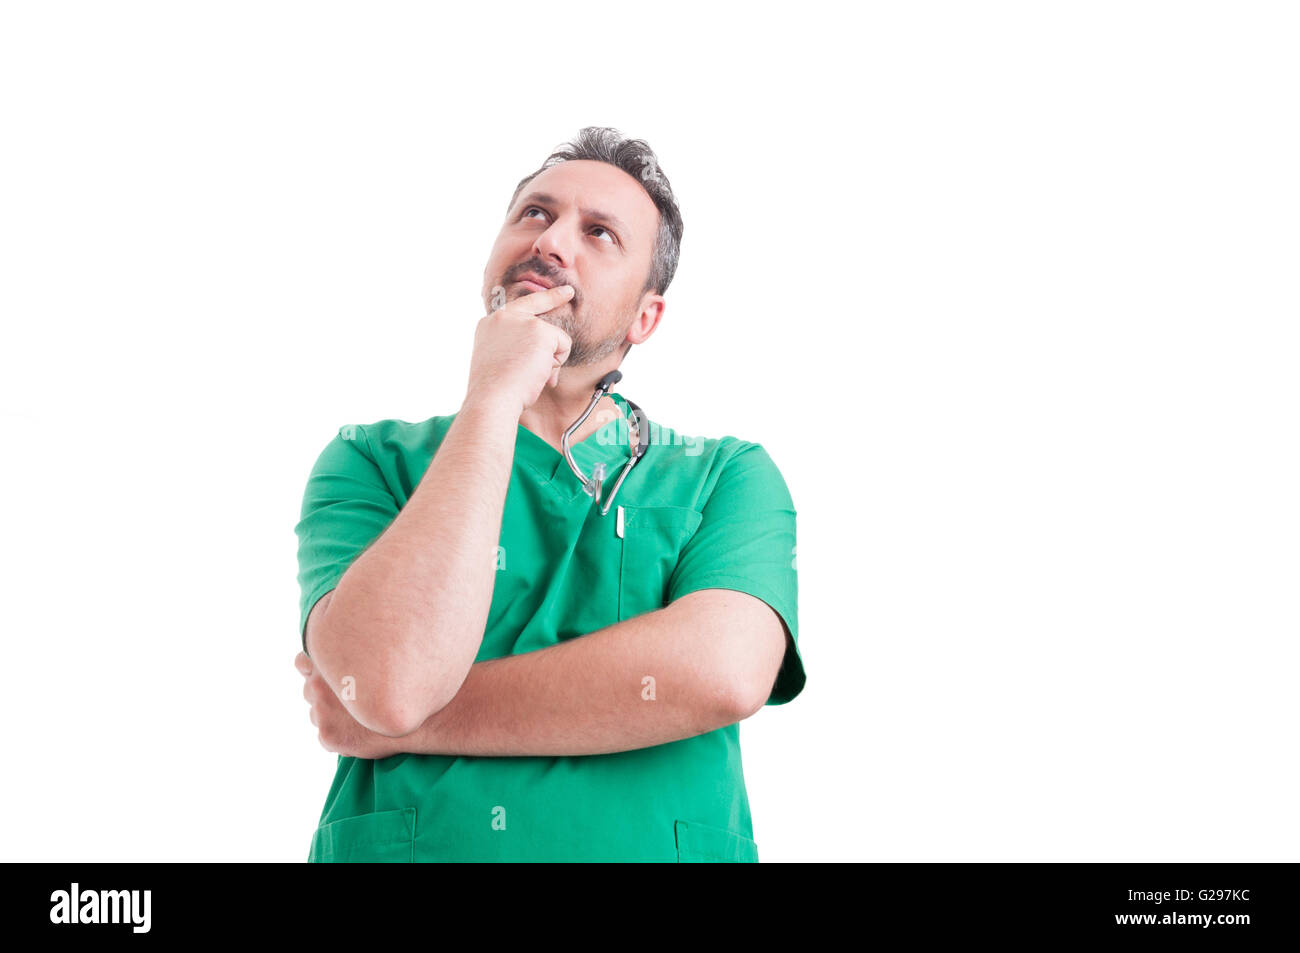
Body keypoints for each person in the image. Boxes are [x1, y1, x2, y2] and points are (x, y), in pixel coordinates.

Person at [292, 126, 805, 862]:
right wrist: (495, 398)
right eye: (535, 213)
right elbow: (387, 682)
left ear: (645, 318)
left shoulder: (727, 476)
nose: (554, 241)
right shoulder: (370, 461)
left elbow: (722, 671)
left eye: (599, 233)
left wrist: (412, 727)